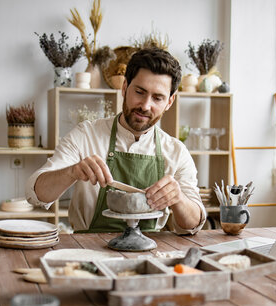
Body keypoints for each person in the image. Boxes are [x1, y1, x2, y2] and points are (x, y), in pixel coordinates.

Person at [26, 48, 206, 234]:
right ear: (124, 87)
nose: (145, 105)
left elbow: (194, 223)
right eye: (139, 92)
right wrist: (72, 172)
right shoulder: (86, 135)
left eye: (157, 98)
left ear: (169, 102)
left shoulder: (176, 151)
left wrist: (179, 199)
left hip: (150, 253)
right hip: (88, 251)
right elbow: (36, 195)